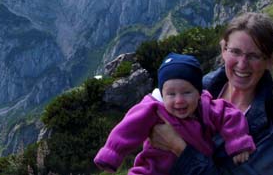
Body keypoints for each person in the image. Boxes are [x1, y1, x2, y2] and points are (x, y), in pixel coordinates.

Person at [148, 12, 273, 175]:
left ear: (269, 60)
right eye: (235, 52)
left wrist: (179, 148)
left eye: (254, 56)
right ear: (223, 49)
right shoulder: (199, 89)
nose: (242, 64)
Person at [94, 53, 256, 175]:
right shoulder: (153, 108)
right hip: (153, 170)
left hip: (194, 167)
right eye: (171, 94)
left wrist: (238, 142)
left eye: (186, 92)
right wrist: (112, 154)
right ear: (162, 93)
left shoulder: (207, 107)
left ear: (199, 92)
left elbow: (230, 115)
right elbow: (128, 128)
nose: (179, 100)